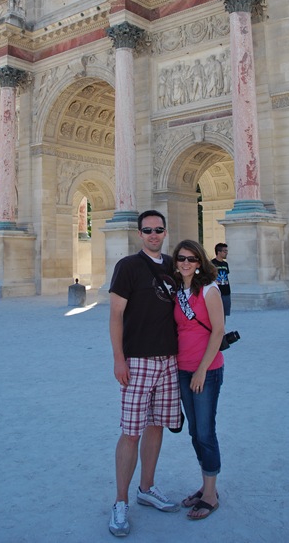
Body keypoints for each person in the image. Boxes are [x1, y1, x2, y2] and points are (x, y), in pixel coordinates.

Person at [108, 210, 181, 537]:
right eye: (148, 230)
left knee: (156, 425)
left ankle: (147, 488)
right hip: (137, 360)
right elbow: (115, 315)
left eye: (158, 230)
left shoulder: (174, 266)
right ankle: (120, 500)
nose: (153, 234)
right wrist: (118, 359)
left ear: (165, 233)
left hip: (169, 360)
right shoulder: (128, 266)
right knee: (131, 431)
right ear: (140, 234)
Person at [173, 239, 224, 521]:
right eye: (181, 258)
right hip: (183, 369)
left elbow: (218, 331)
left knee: (205, 431)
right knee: (194, 431)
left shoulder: (209, 289)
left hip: (206, 370)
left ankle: (211, 495)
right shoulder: (176, 290)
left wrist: (202, 370)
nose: (186, 263)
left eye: (191, 259)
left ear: (200, 262)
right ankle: (206, 485)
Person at [211, 243, 231, 317]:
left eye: (227, 251)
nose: (226, 253)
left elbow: (226, 275)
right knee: (216, 313)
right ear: (219, 252)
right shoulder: (211, 264)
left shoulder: (225, 264)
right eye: (224, 251)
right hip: (216, 292)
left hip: (226, 291)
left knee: (224, 314)